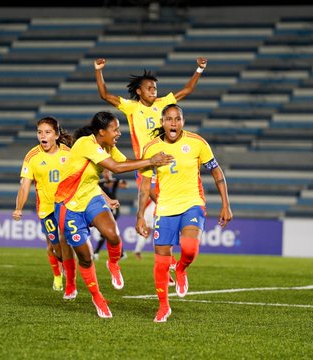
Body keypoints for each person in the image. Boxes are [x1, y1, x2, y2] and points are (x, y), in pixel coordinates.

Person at [54, 111, 173, 318]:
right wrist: (151, 161)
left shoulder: (108, 146)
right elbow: (116, 168)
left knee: (113, 234)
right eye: (115, 129)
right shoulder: (85, 144)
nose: (118, 133)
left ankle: (113, 263)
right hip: (68, 205)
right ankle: (97, 297)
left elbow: (125, 161)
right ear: (101, 132)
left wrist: (150, 161)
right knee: (85, 257)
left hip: (92, 197)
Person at [94, 56, 207, 266]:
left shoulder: (164, 103)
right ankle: (170, 259)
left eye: (155, 87)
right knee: (163, 205)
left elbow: (186, 91)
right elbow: (104, 95)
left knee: (170, 207)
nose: (153, 90)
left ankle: (179, 247)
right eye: (149, 87)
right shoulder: (131, 107)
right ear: (139, 91)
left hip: (167, 165)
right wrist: (98, 70)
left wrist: (199, 69)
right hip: (147, 167)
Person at [135, 104, 233, 323]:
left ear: (183, 121)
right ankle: (163, 307)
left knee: (189, 249)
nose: (173, 123)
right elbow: (144, 185)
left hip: (192, 203)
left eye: (177, 119)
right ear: (162, 122)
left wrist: (226, 204)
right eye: (169, 119)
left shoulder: (197, 143)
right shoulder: (152, 149)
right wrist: (140, 215)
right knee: (160, 263)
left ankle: (180, 268)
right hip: (165, 208)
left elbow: (216, 171)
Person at [12, 116, 78, 301]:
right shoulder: (32, 156)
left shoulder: (68, 153)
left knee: (66, 243)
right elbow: (25, 185)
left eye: (47, 132)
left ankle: (70, 283)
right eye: (40, 132)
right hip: (46, 209)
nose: (43, 135)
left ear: (56, 135)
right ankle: (58, 272)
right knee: (55, 248)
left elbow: (80, 177)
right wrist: (18, 208)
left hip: (66, 205)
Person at [93, 168, 128, 260]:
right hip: (104, 207)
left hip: (113, 208)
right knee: (112, 231)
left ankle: (96, 252)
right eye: (104, 172)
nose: (106, 174)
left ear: (111, 173)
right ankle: (122, 253)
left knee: (108, 230)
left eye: (108, 172)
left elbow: (124, 186)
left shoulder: (115, 181)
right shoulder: (100, 182)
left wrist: (122, 182)